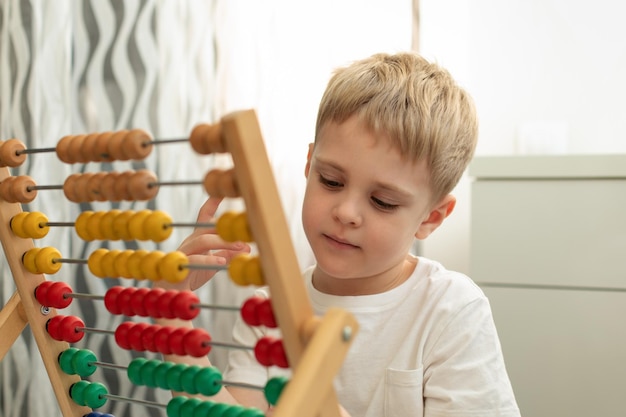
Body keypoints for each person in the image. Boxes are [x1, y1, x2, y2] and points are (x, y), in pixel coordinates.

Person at [156, 51, 521, 417]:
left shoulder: (451, 311)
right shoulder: (268, 312)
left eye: (382, 201)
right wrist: (172, 314)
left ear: (432, 216)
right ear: (308, 163)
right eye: (331, 181)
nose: (345, 213)